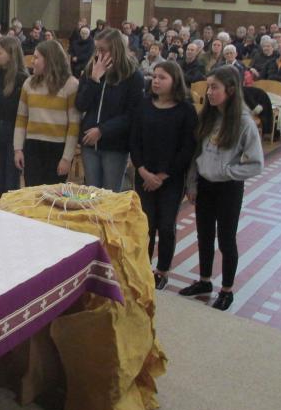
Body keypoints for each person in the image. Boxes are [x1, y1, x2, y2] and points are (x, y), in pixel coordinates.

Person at [180, 66, 264, 311]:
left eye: (214, 87)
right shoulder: (208, 116)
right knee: (204, 236)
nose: (209, 92)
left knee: (226, 240)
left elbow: (256, 163)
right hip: (205, 187)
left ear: (230, 89)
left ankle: (226, 290)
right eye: (208, 87)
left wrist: (227, 172)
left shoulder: (243, 123)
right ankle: (204, 281)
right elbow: (197, 154)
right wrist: (192, 184)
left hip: (228, 189)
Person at [130, 61, 197, 290]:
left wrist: (161, 176)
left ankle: (163, 270)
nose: (156, 81)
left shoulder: (186, 110)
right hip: (143, 175)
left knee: (166, 225)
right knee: (145, 224)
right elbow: (134, 140)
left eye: (162, 77)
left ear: (174, 81)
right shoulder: (144, 105)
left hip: (171, 178)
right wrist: (142, 170)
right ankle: (144, 266)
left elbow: (187, 148)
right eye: (154, 76)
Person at [76, 28, 144, 191]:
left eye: (103, 50)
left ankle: (106, 218)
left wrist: (102, 130)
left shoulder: (133, 76)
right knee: (92, 192)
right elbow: (81, 104)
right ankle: (93, 218)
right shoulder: (91, 70)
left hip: (114, 145)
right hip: (90, 145)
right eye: (97, 49)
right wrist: (94, 79)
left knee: (110, 193)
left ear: (116, 49)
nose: (98, 54)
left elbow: (131, 115)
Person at [13, 40, 80, 187]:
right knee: (32, 194)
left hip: (57, 148)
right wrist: (18, 149)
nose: (32, 61)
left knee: (53, 197)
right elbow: (21, 119)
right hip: (33, 146)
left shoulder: (71, 85)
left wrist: (67, 158)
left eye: (36, 57)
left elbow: (74, 126)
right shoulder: (29, 84)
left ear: (49, 60)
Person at [0, 36, 29, 202]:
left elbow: (12, 111)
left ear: (11, 54)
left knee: (11, 185)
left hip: (13, 135)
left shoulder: (22, 78)